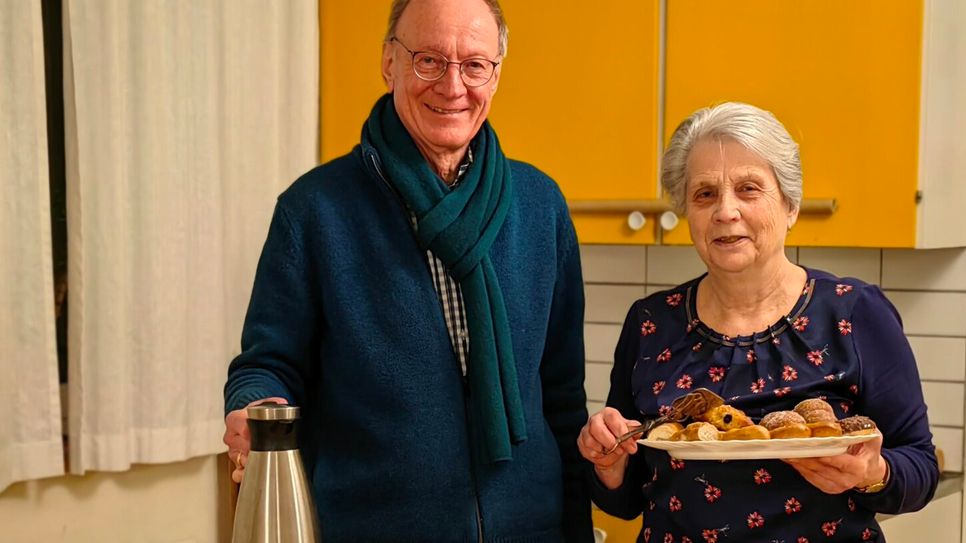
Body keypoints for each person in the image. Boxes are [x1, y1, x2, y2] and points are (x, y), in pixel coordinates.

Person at [223, 0, 593, 541]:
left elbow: (563, 399)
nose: (453, 86)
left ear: (496, 74)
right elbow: (267, 364)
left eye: (474, 65)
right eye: (429, 60)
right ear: (389, 63)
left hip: (530, 529)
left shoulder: (541, 204)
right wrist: (257, 406)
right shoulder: (314, 210)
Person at [577, 102, 938, 542]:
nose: (725, 211)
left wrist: (872, 472)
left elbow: (920, 466)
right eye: (704, 194)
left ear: (790, 205)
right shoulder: (652, 323)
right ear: (686, 212)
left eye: (748, 189)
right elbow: (627, 499)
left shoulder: (853, 312)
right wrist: (608, 463)